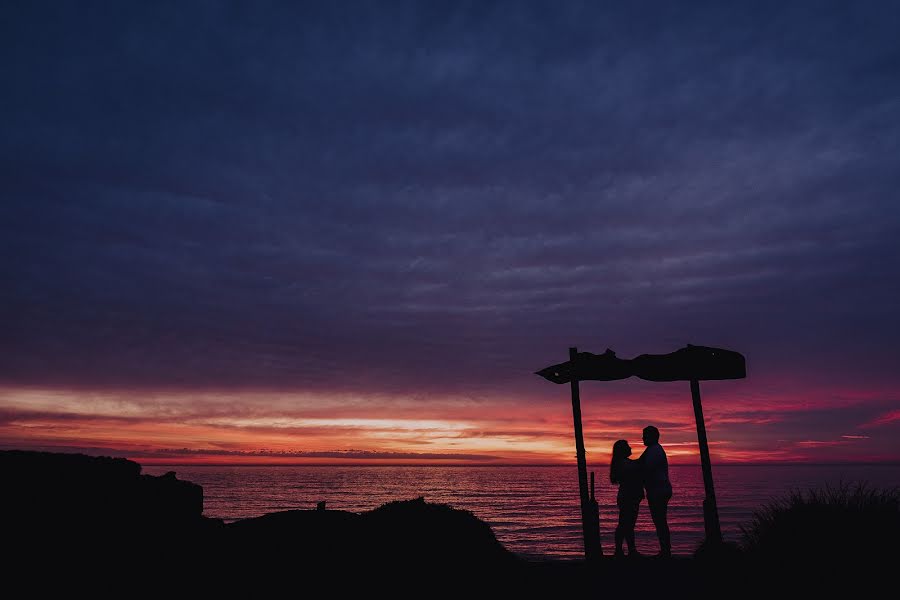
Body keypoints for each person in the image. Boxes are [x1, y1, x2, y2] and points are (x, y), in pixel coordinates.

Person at [639, 425, 672, 557]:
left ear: (652, 437)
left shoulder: (654, 451)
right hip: (659, 490)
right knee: (660, 521)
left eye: (645, 436)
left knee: (660, 521)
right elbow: (640, 463)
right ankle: (665, 550)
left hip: (659, 491)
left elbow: (644, 469)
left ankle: (665, 551)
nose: (642, 438)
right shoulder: (651, 450)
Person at [609, 439, 644, 558]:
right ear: (623, 450)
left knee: (627, 525)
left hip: (628, 497)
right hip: (628, 497)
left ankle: (628, 550)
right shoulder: (624, 464)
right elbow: (637, 466)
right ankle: (622, 550)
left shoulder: (624, 463)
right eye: (628, 446)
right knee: (625, 524)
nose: (631, 449)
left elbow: (637, 464)